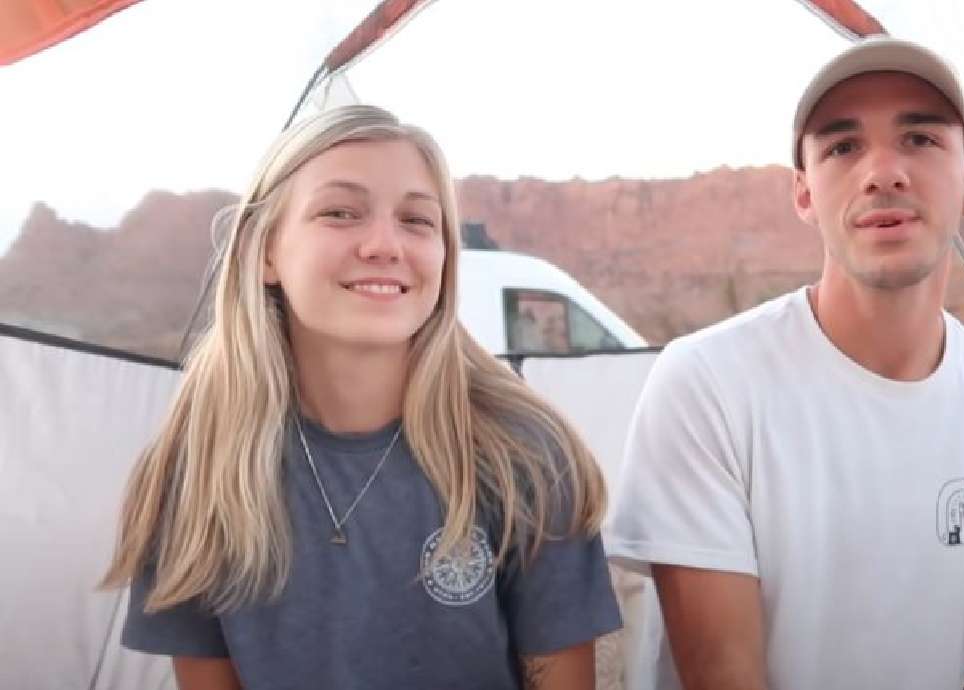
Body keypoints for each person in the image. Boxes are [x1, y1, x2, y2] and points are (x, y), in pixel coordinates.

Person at [606, 36, 964, 689]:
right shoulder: (708, 385)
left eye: (920, 139)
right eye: (842, 146)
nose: (883, 172)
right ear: (804, 194)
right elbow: (723, 675)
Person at [100, 104, 621, 690]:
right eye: (340, 212)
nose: (384, 245)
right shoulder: (197, 468)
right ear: (265, 250)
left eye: (418, 221)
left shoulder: (521, 454)